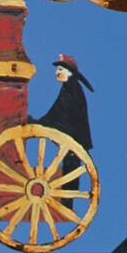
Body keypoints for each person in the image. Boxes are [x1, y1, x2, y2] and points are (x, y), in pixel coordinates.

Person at [36, 54, 93, 211]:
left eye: (60, 69)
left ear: (69, 72)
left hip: (74, 135)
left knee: (71, 168)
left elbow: (60, 113)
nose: (57, 72)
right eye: (57, 69)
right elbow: (57, 111)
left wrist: (40, 123)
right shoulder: (70, 87)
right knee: (70, 168)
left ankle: (67, 205)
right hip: (74, 136)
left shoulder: (71, 89)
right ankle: (67, 204)